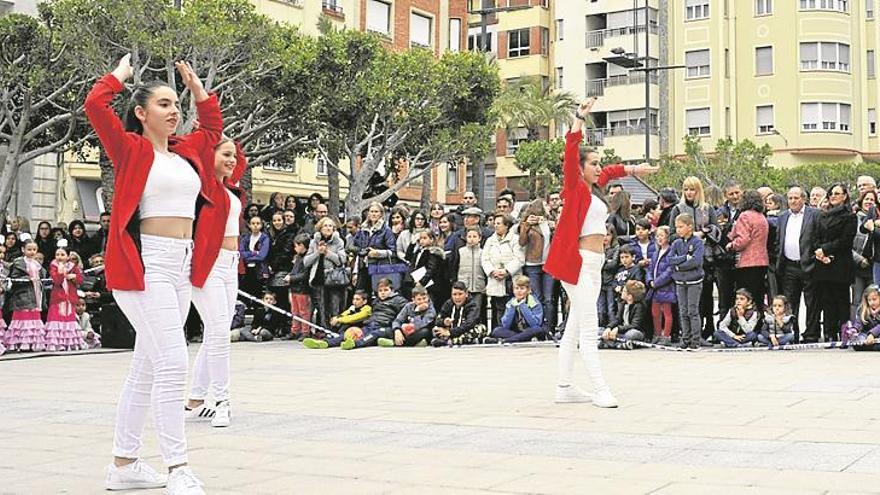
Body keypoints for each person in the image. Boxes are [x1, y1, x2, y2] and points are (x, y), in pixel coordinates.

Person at [84, 54, 220, 493]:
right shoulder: (131, 147)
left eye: (175, 103)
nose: (174, 109)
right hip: (148, 264)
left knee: (147, 366)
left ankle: (124, 464)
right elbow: (94, 106)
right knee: (172, 360)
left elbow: (213, 131)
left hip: (182, 262)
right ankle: (178, 468)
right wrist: (118, 77)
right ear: (142, 113)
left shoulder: (184, 152)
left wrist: (197, 88)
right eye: (163, 104)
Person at [543, 97, 657, 408]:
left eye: (598, 163)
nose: (599, 168)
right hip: (576, 264)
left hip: (593, 264)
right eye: (592, 163)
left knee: (575, 326)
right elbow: (570, 151)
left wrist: (634, 169)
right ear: (580, 168)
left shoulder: (594, 190)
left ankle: (564, 388)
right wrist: (579, 118)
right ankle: (601, 388)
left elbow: (612, 172)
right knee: (590, 325)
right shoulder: (575, 186)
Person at [186, 137, 246, 429]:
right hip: (208, 265)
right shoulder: (204, 185)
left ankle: (196, 397)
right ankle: (221, 399)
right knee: (220, 331)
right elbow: (198, 148)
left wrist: (229, 147)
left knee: (216, 331)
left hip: (230, 265)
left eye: (233, 155)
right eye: (226, 154)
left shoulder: (229, 188)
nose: (233, 160)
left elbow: (241, 159)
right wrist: (209, 130)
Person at [303, 278, 407, 350]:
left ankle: (354, 344)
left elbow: (405, 314)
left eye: (386, 290)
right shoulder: (376, 302)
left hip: (386, 327)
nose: (383, 292)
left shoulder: (399, 301)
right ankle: (324, 343)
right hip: (371, 324)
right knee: (348, 334)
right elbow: (350, 313)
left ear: (392, 290)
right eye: (380, 291)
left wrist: (398, 329)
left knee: (374, 334)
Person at [812, 183, 857, 342]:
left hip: (840, 264)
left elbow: (845, 240)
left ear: (845, 196)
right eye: (831, 193)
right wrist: (820, 252)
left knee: (841, 300)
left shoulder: (850, 216)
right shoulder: (822, 215)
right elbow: (815, 236)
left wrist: (826, 250)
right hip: (822, 264)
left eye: (837, 193)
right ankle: (829, 333)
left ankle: (844, 332)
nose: (833, 196)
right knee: (826, 300)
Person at [777, 186, 820, 343]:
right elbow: (778, 241)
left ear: (804, 199)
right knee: (790, 302)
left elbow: (819, 238)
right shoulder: (782, 217)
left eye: (796, 198)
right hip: (789, 266)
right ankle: (791, 334)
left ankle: (811, 334)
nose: (793, 201)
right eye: (790, 198)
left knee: (812, 302)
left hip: (809, 265)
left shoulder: (814, 214)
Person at [727, 190, 769, 311]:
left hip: (747, 262)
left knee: (745, 297)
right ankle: (758, 323)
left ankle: (747, 325)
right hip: (762, 261)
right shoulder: (762, 217)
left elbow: (743, 240)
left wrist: (731, 245)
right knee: (758, 296)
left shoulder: (745, 216)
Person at [668, 214, 705, 350]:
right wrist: (684, 258)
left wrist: (680, 265)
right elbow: (670, 260)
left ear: (690, 227)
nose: (678, 230)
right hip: (680, 281)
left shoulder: (697, 242)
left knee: (692, 311)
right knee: (682, 311)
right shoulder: (676, 243)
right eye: (677, 227)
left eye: (681, 227)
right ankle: (685, 338)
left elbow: (696, 261)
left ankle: (695, 340)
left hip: (694, 281)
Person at [481, 214, 524, 330]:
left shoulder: (515, 239)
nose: (495, 225)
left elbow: (519, 258)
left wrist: (506, 271)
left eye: (498, 223)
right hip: (495, 278)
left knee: (512, 305)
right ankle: (498, 331)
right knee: (497, 306)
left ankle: (514, 330)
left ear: (507, 225)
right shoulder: (490, 240)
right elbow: (484, 259)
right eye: (494, 223)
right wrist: (492, 271)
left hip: (511, 278)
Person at [304, 217, 346, 330]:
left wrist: (328, 253)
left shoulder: (339, 241)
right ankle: (324, 329)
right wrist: (317, 253)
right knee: (322, 306)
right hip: (318, 278)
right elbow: (306, 262)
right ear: (320, 228)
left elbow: (342, 260)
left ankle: (335, 330)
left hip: (333, 279)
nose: (328, 228)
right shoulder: (314, 242)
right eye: (325, 226)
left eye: (330, 226)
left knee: (334, 305)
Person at [4, 239, 46, 352]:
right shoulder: (19, 263)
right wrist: (27, 279)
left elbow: (43, 277)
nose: (32, 252)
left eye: (34, 249)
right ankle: (21, 343)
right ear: (23, 249)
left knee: (34, 317)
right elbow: (14, 278)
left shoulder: (37, 264)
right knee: (23, 318)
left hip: (36, 292)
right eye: (29, 249)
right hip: (22, 295)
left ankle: (34, 342)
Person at [518, 199, 553, 331]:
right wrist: (526, 226)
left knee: (549, 298)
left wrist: (554, 226)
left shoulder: (549, 222)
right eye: (545, 205)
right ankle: (537, 327)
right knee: (536, 296)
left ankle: (549, 327)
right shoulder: (528, 223)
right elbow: (522, 242)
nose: (548, 207)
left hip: (548, 264)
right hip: (533, 264)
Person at [44, 246, 86, 351]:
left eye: (62, 255)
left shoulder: (73, 267)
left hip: (70, 297)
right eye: (57, 254)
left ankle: (69, 343)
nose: (59, 257)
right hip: (58, 297)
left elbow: (80, 280)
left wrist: (74, 277)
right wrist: (60, 272)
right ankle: (56, 343)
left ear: (67, 257)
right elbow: (57, 281)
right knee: (56, 319)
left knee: (69, 319)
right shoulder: (53, 266)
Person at [484, 275, 545, 344]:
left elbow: (535, 324)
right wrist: (512, 308)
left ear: (528, 290)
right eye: (517, 288)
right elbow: (505, 325)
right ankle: (525, 339)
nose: (519, 291)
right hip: (516, 331)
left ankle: (504, 341)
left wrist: (523, 306)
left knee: (538, 330)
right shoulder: (510, 303)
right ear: (513, 290)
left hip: (529, 330)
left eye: (522, 288)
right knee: (496, 330)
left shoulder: (534, 302)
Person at [357, 202, 401, 291]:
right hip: (363, 266)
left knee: (376, 293)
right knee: (361, 292)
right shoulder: (363, 229)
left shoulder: (386, 230)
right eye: (371, 211)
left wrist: (377, 253)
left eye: (376, 212)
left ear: (381, 214)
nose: (373, 214)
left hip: (379, 267)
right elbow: (357, 247)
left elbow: (393, 252)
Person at [430, 281, 486, 347]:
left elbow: (469, 324)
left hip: (463, 331)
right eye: (454, 294)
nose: (457, 297)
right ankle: (452, 341)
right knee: (435, 329)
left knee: (480, 328)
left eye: (460, 294)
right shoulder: (448, 303)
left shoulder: (473, 305)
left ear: (466, 294)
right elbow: (437, 320)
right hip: (450, 331)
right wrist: (444, 322)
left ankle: (450, 341)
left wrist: (451, 332)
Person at [647, 226, 675, 346]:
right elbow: (650, 268)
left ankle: (666, 335)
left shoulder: (670, 252)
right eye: (657, 236)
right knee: (655, 312)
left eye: (661, 235)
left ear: (667, 237)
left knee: (667, 313)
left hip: (666, 287)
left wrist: (657, 282)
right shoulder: (655, 253)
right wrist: (650, 280)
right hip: (655, 288)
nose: (659, 238)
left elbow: (669, 271)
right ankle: (657, 334)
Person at [407, 229, 449, 311]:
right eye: (420, 238)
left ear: (431, 239)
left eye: (424, 238)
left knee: (430, 306)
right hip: (420, 281)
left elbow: (431, 269)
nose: (422, 241)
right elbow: (408, 257)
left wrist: (422, 282)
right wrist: (412, 244)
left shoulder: (434, 253)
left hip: (431, 285)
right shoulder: (419, 251)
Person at [599, 280, 649, 349]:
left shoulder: (640, 306)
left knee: (631, 334)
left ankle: (609, 343)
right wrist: (609, 328)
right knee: (600, 330)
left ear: (630, 296)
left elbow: (635, 325)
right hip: (623, 330)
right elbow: (617, 319)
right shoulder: (623, 303)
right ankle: (619, 344)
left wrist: (618, 329)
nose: (622, 292)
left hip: (636, 331)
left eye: (624, 291)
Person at [456, 226, 487, 327]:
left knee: (477, 311)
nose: (472, 238)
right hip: (463, 287)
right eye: (469, 236)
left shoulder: (484, 253)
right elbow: (454, 267)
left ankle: (477, 330)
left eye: (474, 236)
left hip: (479, 287)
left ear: (480, 238)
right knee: (464, 310)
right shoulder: (460, 251)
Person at [852, 190, 876, 319]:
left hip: (875, 266)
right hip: (858, 266)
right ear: (861, 201)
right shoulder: (854, 219)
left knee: (874, 299)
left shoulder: (877, 220)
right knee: (857, 300)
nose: (869, 202)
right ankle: (854, 330)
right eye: (867, 199)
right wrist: (860, 259)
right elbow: (847, 245)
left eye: (872, 200)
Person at [239, 216, 270, 302]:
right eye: (253, 223)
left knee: (258, 294)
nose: (255, 225)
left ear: (261, 225)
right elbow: (241, 253)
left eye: (258, 223)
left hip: (259, 270)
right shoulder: (245, 237)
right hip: (246, 270)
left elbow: (262, 256)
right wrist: (253, 253)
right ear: (249, 225)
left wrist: (248, 258)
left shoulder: (265, 238)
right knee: (246, 292)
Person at [286, 234, 311, 340]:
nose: (295, 248)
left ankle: (305, 331)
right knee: (294, 311)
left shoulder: (306, 259)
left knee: (303, 311)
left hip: (302, 289)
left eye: (296, 245)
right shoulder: (298, 258)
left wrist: (291, 278)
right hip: (294, 288)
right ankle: (295, 330)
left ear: (302, 246)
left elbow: (305, 275)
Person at [598, 225, 620, 328]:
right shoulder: (597, 248)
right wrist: (606, 261)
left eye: (608, 235)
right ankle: (601, 327)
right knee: (600, 309)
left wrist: (603, 262)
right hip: (599, 282)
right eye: (603, 235)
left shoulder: (616, 248)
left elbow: (613, 264)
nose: (605, 238)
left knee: (611, 308)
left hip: (610, 282)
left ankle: (611, 328)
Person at [848, 285, 880, 351]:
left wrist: (872, 334)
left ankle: (870, 345)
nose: (872, 302)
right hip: (866, 334)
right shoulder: (864, 310)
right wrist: (855, 329)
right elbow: (859, 322)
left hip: (876, 334)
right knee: (857, 342)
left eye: (874, 299)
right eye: (869, 300)